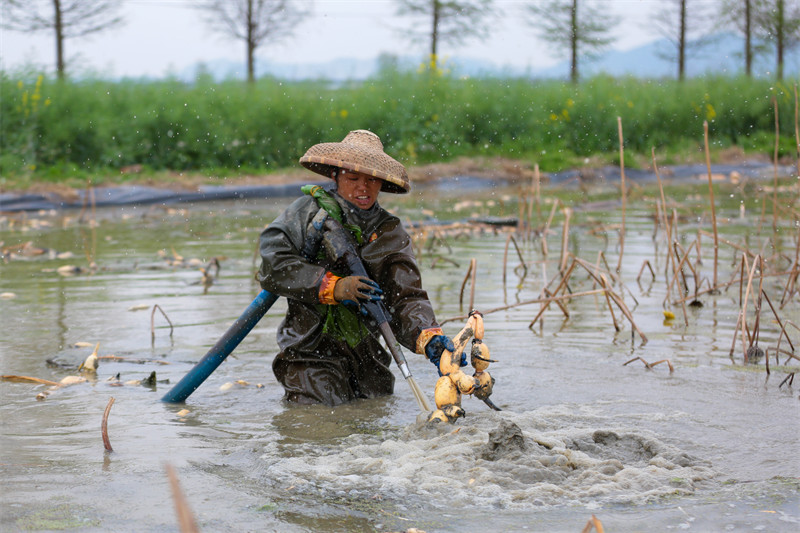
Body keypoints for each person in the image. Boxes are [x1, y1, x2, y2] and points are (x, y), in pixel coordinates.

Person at [257, 129, 460, 406]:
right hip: (310, 352)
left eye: (372, 180)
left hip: (367, 354)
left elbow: (405, 295)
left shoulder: (389, 231)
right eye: (353, 179)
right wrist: (334, 287)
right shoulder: (307, 213)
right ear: (335, 176)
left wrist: (428, 336)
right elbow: (273, 264)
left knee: (375, 409)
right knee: (318, 418)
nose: (363, 188)